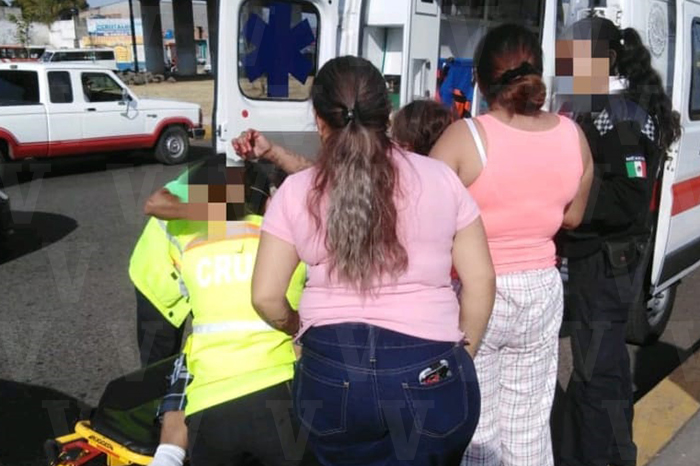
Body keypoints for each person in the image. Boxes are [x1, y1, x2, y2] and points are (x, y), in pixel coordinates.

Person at [250, 55, 495, 466]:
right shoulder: (441, 179)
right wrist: (460, 357)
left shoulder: (295, 191)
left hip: (331, 369)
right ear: (388, 115)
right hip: (429, 366)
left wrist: (297, 328)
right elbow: (481, 280)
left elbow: (265, 297)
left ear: (319, 121)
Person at [427, 24, 593, 466]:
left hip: (477, 291)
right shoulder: (572, 135)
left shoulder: (466, 138)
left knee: (477, 427)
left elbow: (422, 219)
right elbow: (572, 217)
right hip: (542, 288)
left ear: (480, 82)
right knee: (530, 424)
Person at [554, 18, 681, 466]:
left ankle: (600, 457)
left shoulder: (618, 114)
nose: (568, 68)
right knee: (601, 368)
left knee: (597, 373)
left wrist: (568, 209)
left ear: (605, 59)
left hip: (605, 262)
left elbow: (629, 195)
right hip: (599, 258)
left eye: (576, 58)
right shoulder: (596, 105)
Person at [145, 158, 316, 466]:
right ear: (268, 199)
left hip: (207, 404)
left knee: (187, 359)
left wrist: (218, 209)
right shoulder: (289, 237)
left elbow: (156, 203)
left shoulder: (189, 237)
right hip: (279, 391)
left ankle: (166, 456)